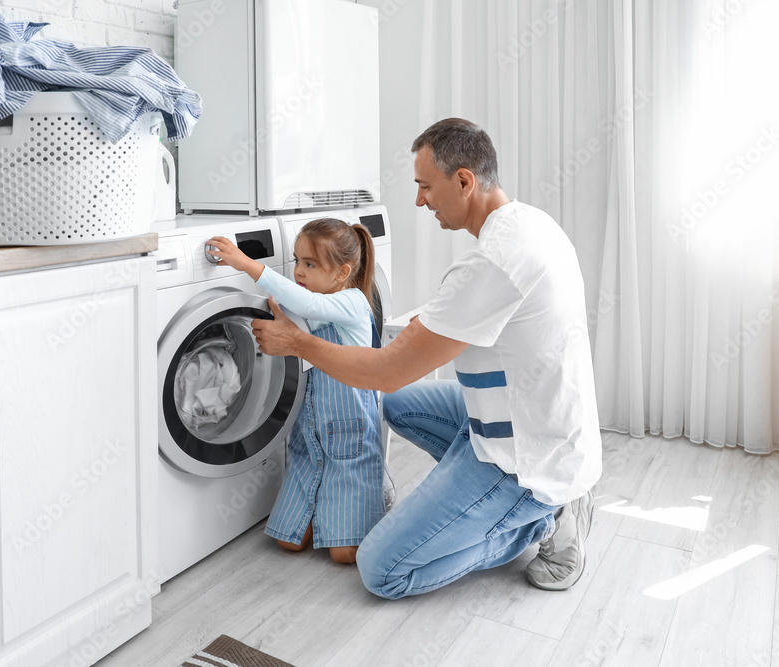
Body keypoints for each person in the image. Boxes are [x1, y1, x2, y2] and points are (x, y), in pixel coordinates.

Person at [248, 118, 602, 599]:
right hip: (537, 421)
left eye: (424, 186)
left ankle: (541, 518)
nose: (419, 201)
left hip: (523, 458)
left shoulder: (492, 262)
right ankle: (487, 504)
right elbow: (454, 336)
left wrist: (296, 343)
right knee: (401, 407)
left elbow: (387, 373)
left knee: (381, 571)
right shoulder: (531, 224)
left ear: (463, 180)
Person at [207, 219, 385, 564]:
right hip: (310, 439)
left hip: (351, 441)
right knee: (289, 543)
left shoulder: (352, 303)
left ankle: (365, 500)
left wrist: (246, 264)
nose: (298, 271)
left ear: (342, 272)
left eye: (310, 264)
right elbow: (299, 309)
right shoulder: (311, 302)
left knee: (344, 555)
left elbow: (308, 306)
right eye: (296, 261)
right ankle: (333, 513)